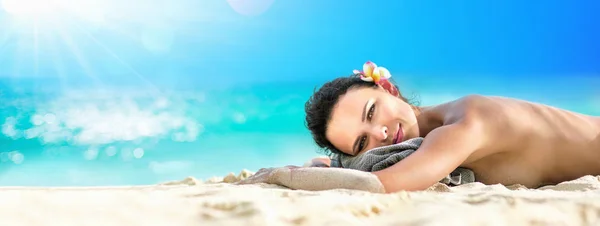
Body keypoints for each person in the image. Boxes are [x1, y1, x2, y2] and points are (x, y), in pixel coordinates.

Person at [238, 61, 600, 193]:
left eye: (371, 112)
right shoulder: (429, 140)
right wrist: (327, 166)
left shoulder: (467, 123)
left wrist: (283, 177)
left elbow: (382, 184)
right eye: (361, 141)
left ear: (388, 88)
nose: (380, 134)